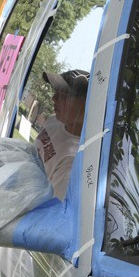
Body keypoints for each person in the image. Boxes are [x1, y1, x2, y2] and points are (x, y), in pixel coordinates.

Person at [35, 69, 89, 200]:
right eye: (56, 91)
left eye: (64, 95)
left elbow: (48, 205)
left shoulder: (73, 160)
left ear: (86, 105)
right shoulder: (53, 121)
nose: (54, 98)